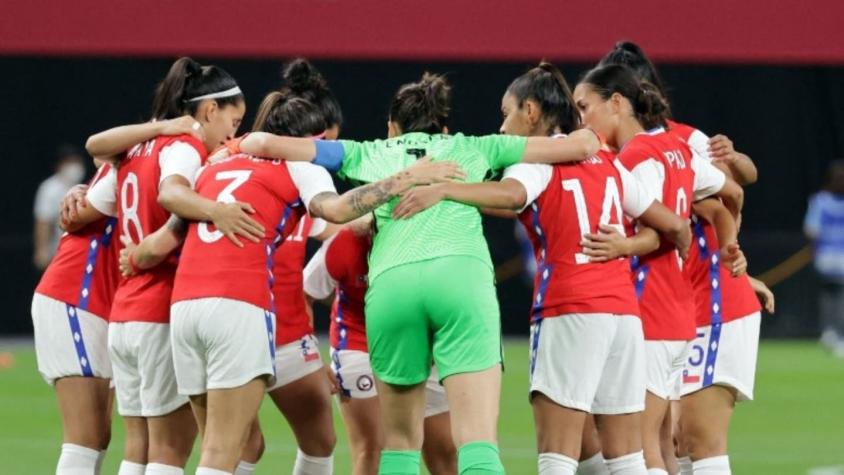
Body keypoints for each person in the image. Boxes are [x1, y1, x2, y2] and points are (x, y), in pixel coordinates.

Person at [229, 71, 603, 475]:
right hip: (461, 283)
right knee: (476, 440)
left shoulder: (366, 152)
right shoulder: (475, 146)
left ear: (392, 128)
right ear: (443, 127)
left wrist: (233, 146)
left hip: (392, 288)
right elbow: (585, 143)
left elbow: (262, 142)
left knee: (400, 445)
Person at [119, 90, 463, 474]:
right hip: (239, 305)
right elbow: (337, 209)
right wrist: (406, 179)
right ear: (307, 141)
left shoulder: (216, 162)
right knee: (223, 451)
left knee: (216, 446)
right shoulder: (299, 162)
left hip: (185, 309)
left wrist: (133, 256)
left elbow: (163, 240)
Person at [391, 62, 690, 475]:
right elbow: (674, 225)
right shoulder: (607, 160)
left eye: (506, 111)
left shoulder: (535, 159)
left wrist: (442, 191)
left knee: (557, 456)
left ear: (530, 112)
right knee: (627, 459)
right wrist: (628, 247)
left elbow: (513, 196)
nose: (502, 124)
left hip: (570, 309)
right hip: (624, 316)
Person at [599, 41, 772, 475]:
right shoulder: (619, 151)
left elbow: (732, 190)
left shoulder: (678, 141)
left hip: (710, 304)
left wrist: (730, 257)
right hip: (675, 304)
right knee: (667, 439)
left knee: (696, 438)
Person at [84, 57, 256, 475]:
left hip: (125, 315)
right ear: (210, 110)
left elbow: (92, 196)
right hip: (160, 306)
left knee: (138, 448)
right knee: (169, 452)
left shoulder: (138, 148)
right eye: (233, 122)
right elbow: (171, 194)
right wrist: (217, 210)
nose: (233, 134)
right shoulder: (184, 149)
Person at [572, 64, 744, 475]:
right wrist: (729, 249)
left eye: (585, 107)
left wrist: (622, 246)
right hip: (680, 313)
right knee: (664, 445)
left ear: (616, 103)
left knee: (640, 444)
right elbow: (729, 194)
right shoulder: (675, 147)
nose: (582, 120)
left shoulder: (633, 158)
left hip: (648, 311)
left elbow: (668, 226)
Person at [303, 216, 457, 475]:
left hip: (421, 347)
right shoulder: (344, 243)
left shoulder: (433, 243)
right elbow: (302, 294)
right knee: (374, 449)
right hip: (358, 343)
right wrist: (310, 356)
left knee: (445, 452)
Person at [31, 162, 118, 475]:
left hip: (106, 306)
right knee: (85, 437)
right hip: (76, 297)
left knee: (98, 436)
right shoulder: (147, 157)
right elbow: (99, 146)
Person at [805, 159, 844, 357]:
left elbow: (811, 230)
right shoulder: (820, 200)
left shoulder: (820, 201)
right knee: (836, 295)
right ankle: (835, 333)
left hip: (825, 256)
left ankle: (830, 331)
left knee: (830, 295)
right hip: (833, 255)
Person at [33, 145, 87, 270]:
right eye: (69, 162)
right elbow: (43, 221)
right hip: (58, 250)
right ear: (60, 165)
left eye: (76, 161)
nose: (74, 166)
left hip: (82, 250)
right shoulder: (49, 188)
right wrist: (42, 250)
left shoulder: (85, 185)